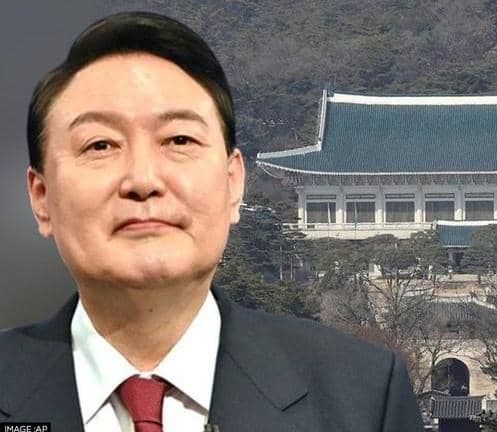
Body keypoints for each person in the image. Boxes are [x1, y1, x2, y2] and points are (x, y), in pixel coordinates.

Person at [0, 11, 421, 432]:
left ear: (233, 182)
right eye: (100, 144)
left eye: (179, 139)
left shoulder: (363, 397)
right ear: (41, 197)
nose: (143, 180)